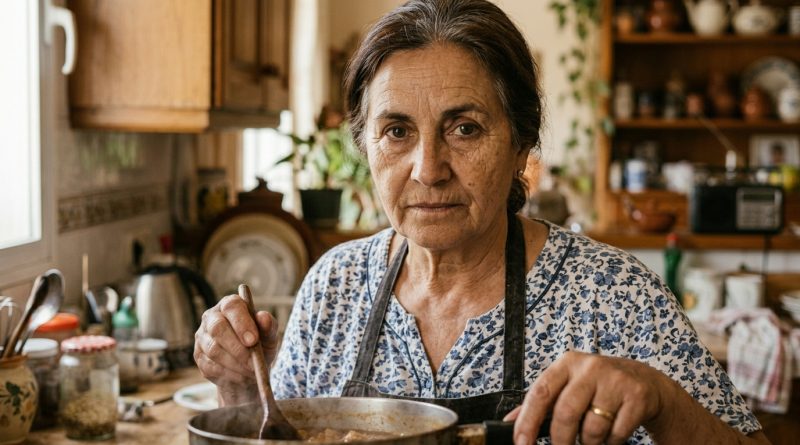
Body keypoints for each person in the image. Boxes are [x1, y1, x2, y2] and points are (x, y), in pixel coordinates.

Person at [194, 1, 769, 444]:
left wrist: (661, 398)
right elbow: (278, 431)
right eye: (397, 131)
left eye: (464, 128)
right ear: (365, 147)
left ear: (521, 144)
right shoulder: (333, 288)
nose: (429, 169)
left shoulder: (614, 295)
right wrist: (243, 393)